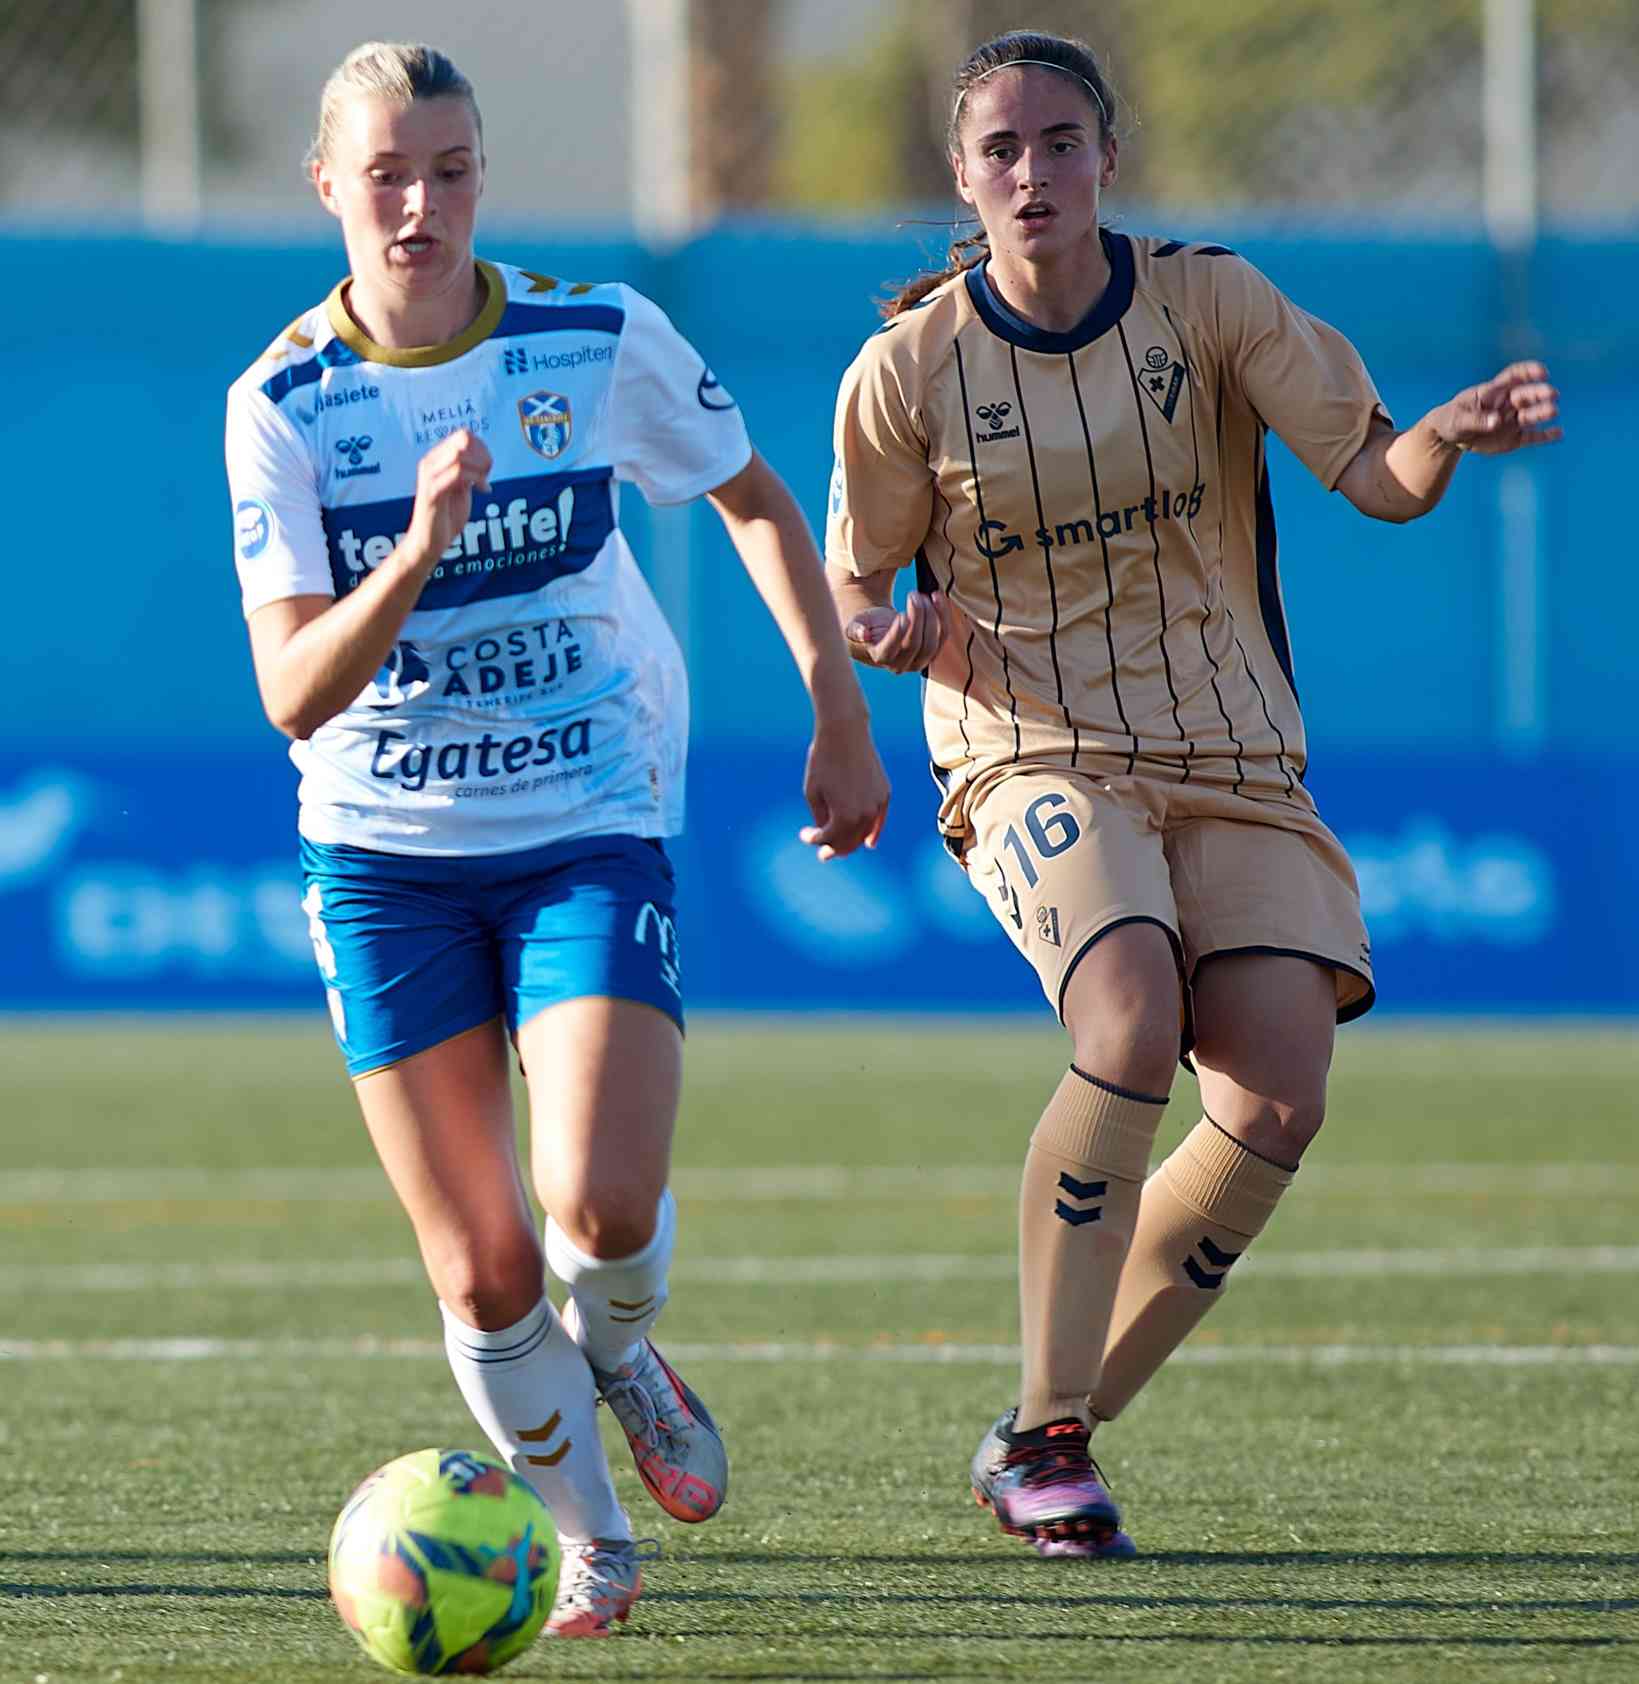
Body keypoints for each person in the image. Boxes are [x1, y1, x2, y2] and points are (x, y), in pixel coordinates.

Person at [825, 29, 1560, 1561]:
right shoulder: (905, 373)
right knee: (1131, 1021)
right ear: (962, 177)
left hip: (1228, 748)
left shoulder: (1209, 300)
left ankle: (1052, 1423)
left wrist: (1448, 435)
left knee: (1279, 1092)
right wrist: (893, 638)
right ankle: (1046, 1437)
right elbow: (858, 588)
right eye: (1002, 150)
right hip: (1031, 742)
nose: (1033, 172)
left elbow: (1375, 475)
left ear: (1111, 154)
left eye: (1060, 142)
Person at [225, 41, 889, 1637]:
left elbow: (750, 499)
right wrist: (419, 552)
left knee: (593, 1207)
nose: (419, 205)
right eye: (385, 173)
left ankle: (625, 1353)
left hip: (587, 806)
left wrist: (838, 709)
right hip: (383, 854)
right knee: (481, 1272)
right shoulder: (282, 405)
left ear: (478, 180)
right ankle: (590, 1537)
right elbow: (296, 695)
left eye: (449, 171)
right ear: (328, 185)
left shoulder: (594, 336)